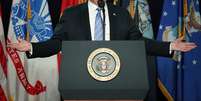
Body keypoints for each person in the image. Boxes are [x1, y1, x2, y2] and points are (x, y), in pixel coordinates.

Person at [8, 0, 196, 58]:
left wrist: (169, 46)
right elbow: (57, 43)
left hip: (117, 81)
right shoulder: (71, 14)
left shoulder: (120, 13)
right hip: (81, 83)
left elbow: (138, 43)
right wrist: (32, 47)